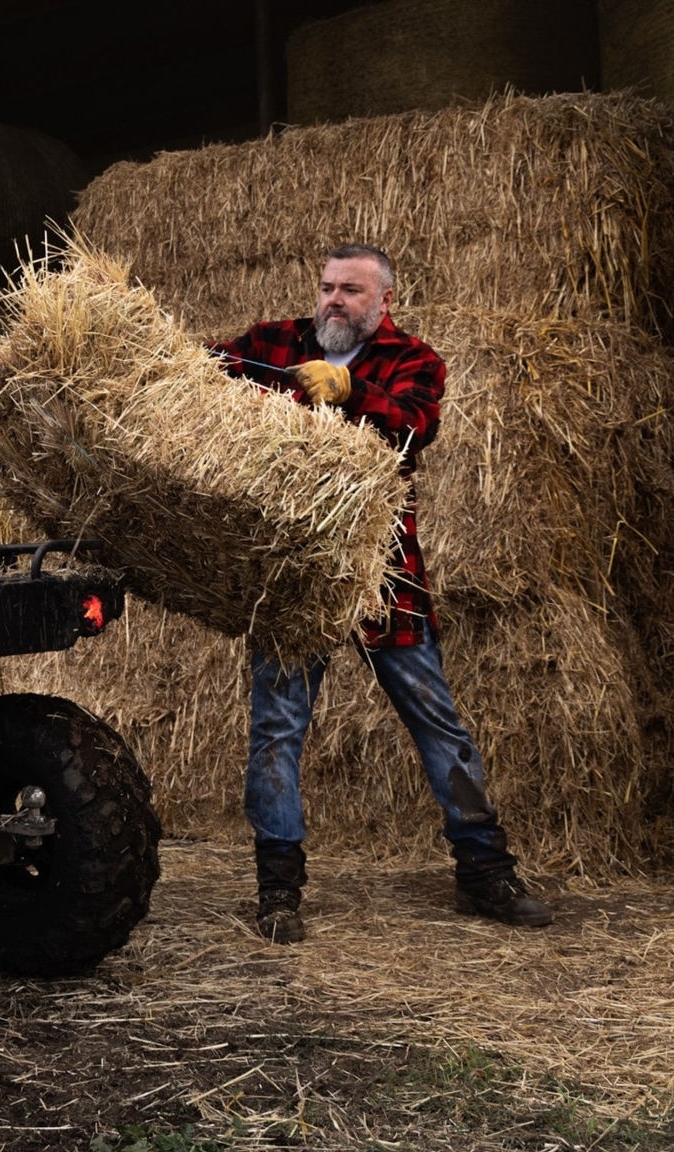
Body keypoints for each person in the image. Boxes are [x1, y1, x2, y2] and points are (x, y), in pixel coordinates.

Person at [207, 243, 552, 944]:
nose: (333, 300)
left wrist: (351, 394)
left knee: (437, 723)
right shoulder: (275, 343)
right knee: (276, 733)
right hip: (293, 572)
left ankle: (485, 872)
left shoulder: (413, 360)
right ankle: (279, 891)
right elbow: (197, 375)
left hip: (380, 573)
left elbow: (416, 424)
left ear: (383, 300)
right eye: (327, 287)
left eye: (350, 291)